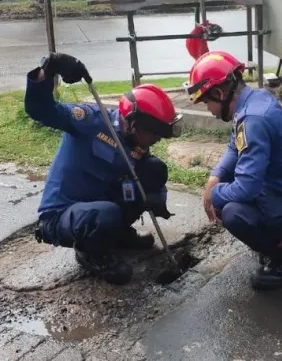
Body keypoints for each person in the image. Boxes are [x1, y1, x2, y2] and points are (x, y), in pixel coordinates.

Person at [184, 50, 282, 291]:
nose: (210, 110)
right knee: (230, 195)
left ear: (219, 93)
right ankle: (280, 243)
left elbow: (247, 188)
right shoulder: (253, 102)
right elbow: (233, 147)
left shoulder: (253, 119)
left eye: (207, 102)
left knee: (233, 212)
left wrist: (214, 196)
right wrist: (214, 179)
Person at [24, 52, 183, 285]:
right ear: (135, 124)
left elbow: (142, 180)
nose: (158, 139)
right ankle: (90, 253)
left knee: (153, 169)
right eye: (155, 133)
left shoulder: (136, 142)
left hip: (102, 206)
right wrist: (47, 70)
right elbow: (40, 110)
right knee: (105, 214)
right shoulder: (90, 121)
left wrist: (157, 198)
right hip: (63, 215)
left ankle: (115, 235)